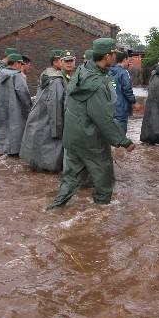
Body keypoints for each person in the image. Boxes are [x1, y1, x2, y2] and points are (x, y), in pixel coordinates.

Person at [46, 38, 136, 210]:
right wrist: (124, 142)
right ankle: (101, 214)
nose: (116, 56)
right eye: (114, 53)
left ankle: (55, 207)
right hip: (91, 139)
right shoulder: (98, 84)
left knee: (71, 177)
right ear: (107, 55)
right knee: (104, 177)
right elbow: (104, 119)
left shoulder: (81, 70)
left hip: (72, 136)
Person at [20, 53, 67, 171]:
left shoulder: (46, 74)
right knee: (49, 151)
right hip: (48, 119)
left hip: (38, 117)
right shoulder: (56, 80)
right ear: (56, 63)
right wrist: (58, 129)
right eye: (64, 61)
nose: (68, 64)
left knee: (38, 146)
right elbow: (55, 106)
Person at [0, 53, 32, 155]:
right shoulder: (17, 76)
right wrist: (29, 109)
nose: (21, 66)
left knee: (2, 130)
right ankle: (13, 152)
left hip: (0, 110)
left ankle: (2, 151)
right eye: (20, 63)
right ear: (16, 63)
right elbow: (24, 95)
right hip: (15, 111)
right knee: (15, 132)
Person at [108, 51, 136, 133]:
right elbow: (127, 89)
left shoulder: (109, 71)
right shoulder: (123, 72)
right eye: (128, 59)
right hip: (121, 107)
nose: (129, 61)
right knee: (121, 131)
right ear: (125, 59)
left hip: (110, 106)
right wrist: (133, 101)